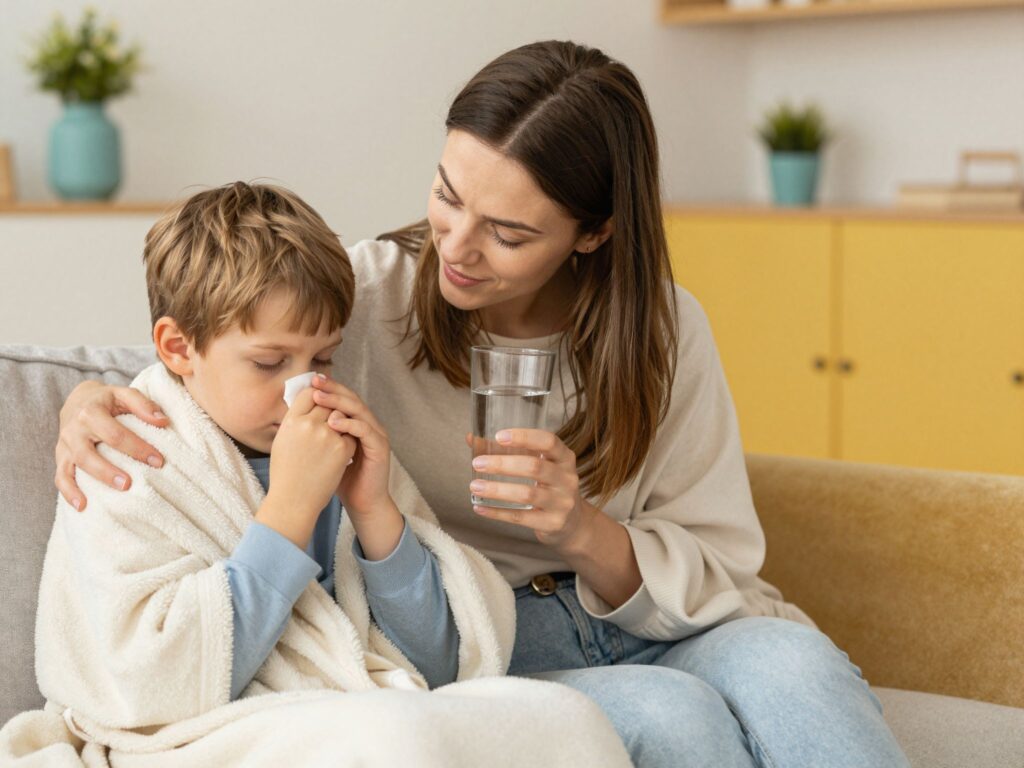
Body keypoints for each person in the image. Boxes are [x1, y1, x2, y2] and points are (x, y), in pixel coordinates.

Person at [54, 42, 909, 767]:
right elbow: (219, 355)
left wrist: (583, 531)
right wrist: (84, 400)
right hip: (490, 636)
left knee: (798, 668)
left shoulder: (665, 330)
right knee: (677, 718)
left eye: (508, 233)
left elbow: (721, 558)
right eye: (448, 197)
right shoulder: (366, 296)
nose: (455, 250)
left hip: (657, 621)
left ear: (594, 232)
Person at [25, 183, 527, 759]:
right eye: (269, 363)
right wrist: (288, 509)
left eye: (322, 359)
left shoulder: (341, 445)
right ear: (177, 347)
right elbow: (150, 683)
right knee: (401, 738)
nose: (301, 390)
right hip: (206, 736)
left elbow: (444, 664)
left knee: (557, 717)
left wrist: (373, 510)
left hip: (344, 716)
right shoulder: (126, 459)